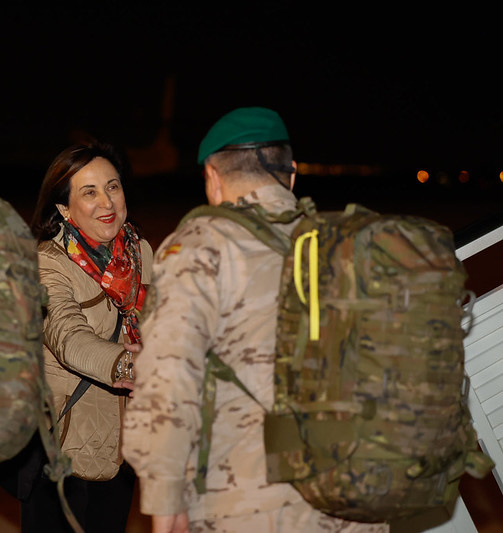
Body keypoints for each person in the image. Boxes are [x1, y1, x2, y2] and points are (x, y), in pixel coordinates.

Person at [121, 107, 389, 533]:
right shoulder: (350, 246)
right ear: (292, 176)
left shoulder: (200, 246)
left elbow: (170, 380)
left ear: (213, 177)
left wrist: (165, 498)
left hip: (251, 504)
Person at [22, 140, 153, 532]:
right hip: (64, 453)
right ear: (65, 208)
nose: (106, 202)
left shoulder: (141, 253)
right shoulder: (46, 264)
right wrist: (135, 366)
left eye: (112, 186)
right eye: (89, 192)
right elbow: (68, 338)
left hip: (124, 448)